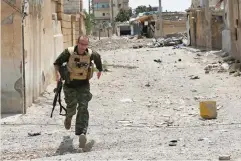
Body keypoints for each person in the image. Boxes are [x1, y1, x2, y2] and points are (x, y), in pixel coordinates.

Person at [53, 36, 102, 149]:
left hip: (84, 84)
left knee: (83, 107)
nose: (83, 47)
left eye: (85, 44)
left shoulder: (90, 54)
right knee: (72, 106)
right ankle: (69, 117)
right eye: (81, 44)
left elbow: (98, 58)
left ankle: (81, 133)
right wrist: (58, 74)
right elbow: (57, 63)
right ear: (77, 43)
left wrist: (100, 69)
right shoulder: (68, 52)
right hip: (70, 84)